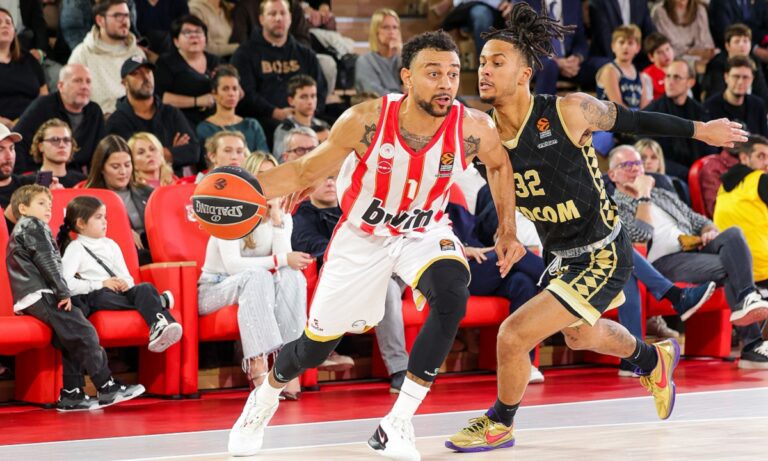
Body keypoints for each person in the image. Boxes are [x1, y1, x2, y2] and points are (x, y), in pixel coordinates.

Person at [446, 2, 747, 452]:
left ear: (525, 74)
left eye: (497, 62)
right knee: (579, 334)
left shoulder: (570, 111)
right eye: (483, 62)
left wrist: (700, 129)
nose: (484, 70)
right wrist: (506, 230)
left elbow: (633, 119)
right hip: (559, 255)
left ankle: (500, 422)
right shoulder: (486, 132)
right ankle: (653, 357)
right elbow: (497, 172)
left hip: (602, 251)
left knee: (513, 334)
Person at [226, 30, 523, 460]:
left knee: (452, 294)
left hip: (423, 230)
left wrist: (508, 229)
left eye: (453, 74)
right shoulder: (365, 120)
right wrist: (241, 192)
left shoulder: (473, 127)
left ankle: (397, 423)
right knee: (315, 347)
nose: (445, 83)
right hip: (363, 237)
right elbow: (303, 171)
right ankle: (266, 396)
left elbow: (499, 166)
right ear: (406, 77)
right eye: (433, 73)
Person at [609, 145, 768, 368]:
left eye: (637, 163)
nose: (635, 169)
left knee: (733, 234)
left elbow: (697, 219)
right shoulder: (613, 205)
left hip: (693, 249)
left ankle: (747, 296)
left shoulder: (662, 194)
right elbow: (639, 236)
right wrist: (643, 196)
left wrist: (708, 230)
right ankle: (752, 344)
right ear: (612, 175)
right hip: (663, 262)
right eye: (627, 165)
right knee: (734, 266)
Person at [6, 185, 145, 411]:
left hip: (31, 296)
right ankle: (106, 386)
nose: (48, 208)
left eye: (49, 204)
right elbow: (48, 263)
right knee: (84, 332)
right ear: (23, 208)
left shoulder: (25, 227)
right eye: (41, 203)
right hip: (41, 294)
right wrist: (63, 292)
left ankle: (72, 394)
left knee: (68, 338)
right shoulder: (33, 225)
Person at [199, 150, 310, 398]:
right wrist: (281, 260)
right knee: (258, 275)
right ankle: (257, 365)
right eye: (262, 174)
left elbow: (284, 264)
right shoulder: (229, 210)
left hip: (259, 285)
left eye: (273, 174)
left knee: (292, 276)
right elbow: (233, 266)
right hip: (214, 288)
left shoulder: (282, 213)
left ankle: (288, 366)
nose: (269, 180)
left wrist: (277, 218)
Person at [291, 174, 409, 392]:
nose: (329, 182)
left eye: (333, 177)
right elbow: (319, 248)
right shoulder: (302, 216)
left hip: (382, 268)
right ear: (309, 186)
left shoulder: (355, 208)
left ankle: (432, 356)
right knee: (387, 289)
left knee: (419, 260)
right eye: (323, 178)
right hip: (347, 281)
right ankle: (400, 369)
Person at [59, 195, 182, 353]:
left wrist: (124, 283)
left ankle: (158, 327)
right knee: (102, 297)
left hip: (119, 294)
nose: (105, 222)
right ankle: (158, 301)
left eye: (105, 217)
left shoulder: (111, 245)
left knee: (145, 287)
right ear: (81, 223)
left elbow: (127, 277)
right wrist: (101, 284)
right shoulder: (76, 248)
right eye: (98, 217)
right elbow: (65, 283)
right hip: (97, 295)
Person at [231, 0, 327, 146]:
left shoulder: (306, 54)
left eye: (283, 13)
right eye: (272, 14)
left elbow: (321, 90)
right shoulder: (244, 54)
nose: (278, 18)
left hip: (306, 119)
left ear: (290, 18)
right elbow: (246, 95)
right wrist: (274, 112)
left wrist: (306, 112)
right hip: (264, 120)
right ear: (261, 19)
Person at [106, 55, 200, 177]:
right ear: (124, 83)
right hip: (136, 185)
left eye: (148, 71)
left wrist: (146, 156)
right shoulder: (116, 121)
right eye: (137, 73)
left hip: (173, 182)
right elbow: (123, 161)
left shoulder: (170, 112)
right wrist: (171, 152)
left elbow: (194, 151)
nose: (145, 77)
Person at [714, 136, 768, 335]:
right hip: (763, 269)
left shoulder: (722, 187)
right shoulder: (760, 179)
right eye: (761, 156)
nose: (767, 162)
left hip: (734, 269)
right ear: (744, 157)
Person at [13, 64, 106, 175]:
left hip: (74, 175)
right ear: (61, 86)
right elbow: (17, 142)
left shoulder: (95, 112)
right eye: (78, 81)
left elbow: (100, 154)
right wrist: (22, 179)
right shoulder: (42, 106)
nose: (84, 86)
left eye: (88, 81)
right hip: (42, 173)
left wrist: (94, 182)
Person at [84, 135, 154, 265]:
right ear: (101, 168)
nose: (123, 171)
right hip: (113, 257)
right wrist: (123, 232)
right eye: (115, 166)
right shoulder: (88, 198)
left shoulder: (148, 192)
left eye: (127, 165)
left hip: (149, 251)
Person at [67, 0, 145, 115]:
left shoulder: (137, 54)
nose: (124, 21)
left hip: (133, 119)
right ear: (100, 20)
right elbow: (70, 99)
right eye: (118, 16)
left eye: (127, 15)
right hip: (96, 120)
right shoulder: (82, 54)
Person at [645, 59, 717, 180]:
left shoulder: (700, 111)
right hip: (667, 176)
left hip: (698, 174)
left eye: (677, 77)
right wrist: (688, 174)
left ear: (690, 82)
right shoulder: (651, 112)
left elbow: (710, 147)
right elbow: (650, 154)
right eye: (668, 76)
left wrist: (702, 171)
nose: (670, 82)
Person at [154, 15, 220, 127]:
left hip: (214, 119)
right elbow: (161, 98)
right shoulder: (166, 63)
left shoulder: (215, 61)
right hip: (180, 120)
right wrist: (196, 101)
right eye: (187, 32)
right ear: (176, 41)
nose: (194, 36)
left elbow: (237, 90)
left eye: (198, 32)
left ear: (205, 39)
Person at [196, 64, 269, 155]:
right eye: (225, 89)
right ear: (214, 94)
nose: (231, 93)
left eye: (235, 89)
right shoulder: (205, 129)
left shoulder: (252, 126)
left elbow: (264, 157)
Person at [0, 7, 47, 128]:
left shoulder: (29, 59)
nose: (4, 25)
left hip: (33, 123)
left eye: (8, 23)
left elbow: (44, 95)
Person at [702, 23, 768, 104]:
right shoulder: (717, 64)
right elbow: (716, 95)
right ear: (727, 46)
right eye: (737, 41)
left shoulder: (754, 62)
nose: (742, 45)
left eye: (745, 41)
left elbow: (763, 93)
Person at [704, 55, 768, 137]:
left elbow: (764, 140)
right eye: (736, 76)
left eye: (745, 77)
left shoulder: (758, 105)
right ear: (726, 77)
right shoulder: (709, 107)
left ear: (752, 79)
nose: (740, 82)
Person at [272, 75, 329, 158]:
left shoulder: (323, 125)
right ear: (291, 101)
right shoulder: (284, 129)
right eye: (303, 97)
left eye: (313, 96)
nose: (310, 102)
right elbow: (281, 161)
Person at [596, 25, 651, 111]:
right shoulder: (609, 70)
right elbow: (618, 106)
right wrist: (638, 118)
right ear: (613, 46)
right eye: (621, 42)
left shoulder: (640, 75)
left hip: (635, 117)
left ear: (638, 48)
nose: (625, 47)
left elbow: (645, 108)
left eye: (630, 43)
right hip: (612, 117)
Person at [20, 118, 86, 188]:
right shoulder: (26, 183)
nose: (62, 145)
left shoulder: (83, 181)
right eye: (55, 140)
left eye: (66, 140)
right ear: (41, 146)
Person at [650, 0, 715, 66]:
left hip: (701, 59)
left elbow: (706, 42)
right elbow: (665, 49)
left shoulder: (700, 9)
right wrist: (691, 52)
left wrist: (704, 52)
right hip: (674, 61)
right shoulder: (660, 12)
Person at [354, 8, 402, 97]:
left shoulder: (403, 60)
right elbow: (375, 94)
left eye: (395, 27)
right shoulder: (365, 61)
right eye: (386, 27)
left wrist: (403, 57)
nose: (391, 32)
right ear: (375, 32)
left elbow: (414, 90)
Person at [640, 32, 675, 102]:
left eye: (667, 49)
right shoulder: (646, 75)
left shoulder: (681, 68)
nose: (666, 54)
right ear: (651, 57)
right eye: (659, 52)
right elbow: (647, 103)